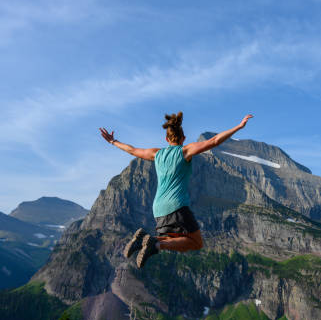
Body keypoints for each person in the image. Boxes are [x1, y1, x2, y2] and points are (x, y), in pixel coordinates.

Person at [99, 111, 253, 268]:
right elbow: (214, 141)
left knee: (175, 240)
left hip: (158, 209)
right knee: (196, 243)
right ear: (183, 139)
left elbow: (132, 150)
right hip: (177, 206)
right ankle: (155, 245)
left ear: (166, 139)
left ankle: (143, 239)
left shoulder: (156, 154)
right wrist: (238, 127)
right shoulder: (184, 152)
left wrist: (113, 141)